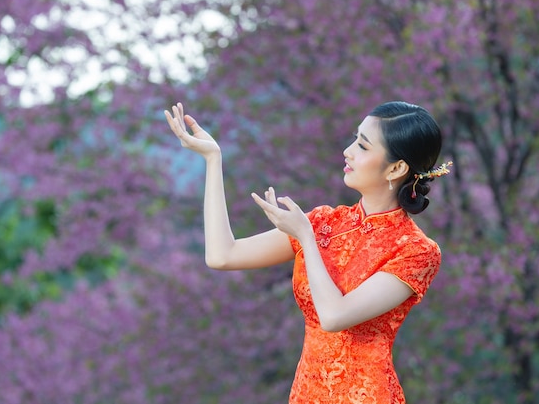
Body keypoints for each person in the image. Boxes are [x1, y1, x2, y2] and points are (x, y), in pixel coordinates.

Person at [165, 101, 452, 404]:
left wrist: (305, 237)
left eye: (363, 146)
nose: (348, 151)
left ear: (396, 168)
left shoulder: (416, 251)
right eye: (355, 139)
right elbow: (222, 255)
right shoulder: (323, 223)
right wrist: (213, 159)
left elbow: (334, 316)